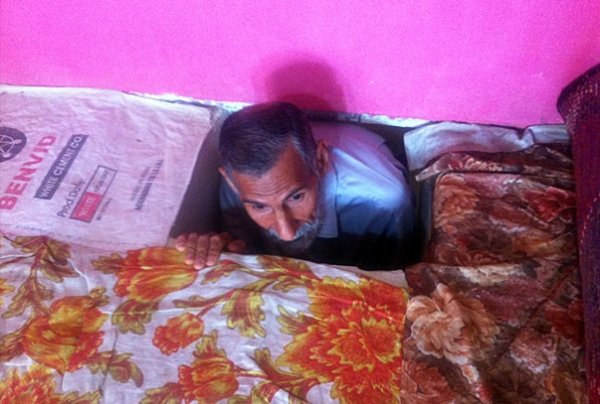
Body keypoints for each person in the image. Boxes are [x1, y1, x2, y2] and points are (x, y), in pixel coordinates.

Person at [176, 102, 415, 270]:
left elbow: (395, 276)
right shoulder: (239, 185)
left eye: (296, 197)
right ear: (231, 181)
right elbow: (245, 246)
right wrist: (222, 250)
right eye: (260, 207)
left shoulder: (381, 202)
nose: (286, 232)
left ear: (320, 160)